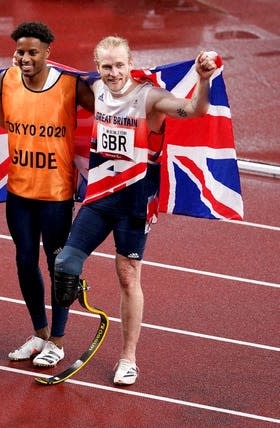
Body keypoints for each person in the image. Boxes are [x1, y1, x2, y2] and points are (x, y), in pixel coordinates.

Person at [54, 36, 219, 385]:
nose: (113, 73)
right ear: (97, 67)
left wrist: (203, 79)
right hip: (99, 198)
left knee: (128, 277)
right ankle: (56, 341)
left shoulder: (149, 97)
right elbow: (57, 79)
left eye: (119, 65)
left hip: (134, 203)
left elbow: (195, 110)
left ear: (131, 63)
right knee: (65, 264)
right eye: (106, 66)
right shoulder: (95, 88)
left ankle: (128, 357)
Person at [0, 21, 94, 368]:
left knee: (58, 266)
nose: (25, 58)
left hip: (55, 194)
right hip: (19, 190)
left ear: (48, 52)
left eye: (32, 52)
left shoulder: (69, 84)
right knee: (24, 261)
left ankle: (58, 340)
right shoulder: (5, 80)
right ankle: (39, 333)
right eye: (20, 51)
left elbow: (109, 108)